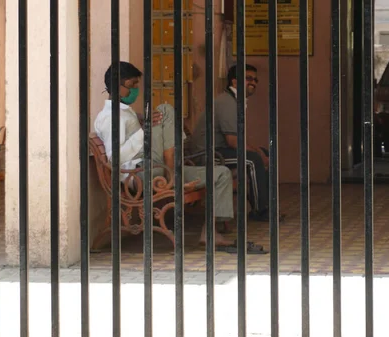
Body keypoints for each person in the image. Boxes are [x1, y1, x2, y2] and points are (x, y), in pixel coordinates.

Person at [94, 61, 265, 253]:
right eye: (132, 85)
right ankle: (173, 175)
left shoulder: (127, 112)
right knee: (166, 110)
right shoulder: (109, 116)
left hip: (158, 169)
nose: (136, 90)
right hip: (139, 174)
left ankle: (210, 233)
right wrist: (144, 130)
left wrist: (144, 123)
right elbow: (114, 158)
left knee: (221, 174)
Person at [191, 64, 284, 222]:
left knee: (263, 154)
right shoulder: (227, 102)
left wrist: (260, 152)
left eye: (255, 79)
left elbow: (238, 139)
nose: (253, 83)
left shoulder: (235, 101)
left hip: (222, 150)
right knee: (253, 160)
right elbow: (233, 141)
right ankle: (260, 210)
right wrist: (257, 154)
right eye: (248, 78)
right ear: (234, 82)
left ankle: (266, 205)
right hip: (209, 154)